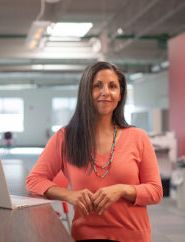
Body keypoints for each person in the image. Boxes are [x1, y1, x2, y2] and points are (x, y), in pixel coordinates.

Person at [26, 61, 162, 242]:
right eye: (97, 86)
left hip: (132, 236)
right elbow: (34, 180)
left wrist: (122, 190)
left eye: (113, 86)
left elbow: (155, 191)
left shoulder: (138, 137)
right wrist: (69, 195)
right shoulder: (65, 137)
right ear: (86, 93)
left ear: (120, 94)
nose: (106, 92)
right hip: (85, 236)